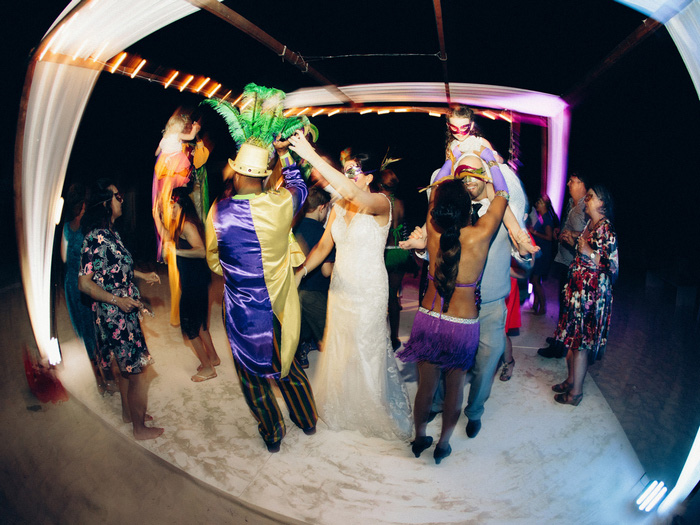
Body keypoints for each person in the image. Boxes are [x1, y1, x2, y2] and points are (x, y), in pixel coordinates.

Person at [289, 131, 413, 441]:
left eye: (353, 169)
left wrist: (312, 155)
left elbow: (354, 195)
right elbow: (322, 247)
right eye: (345, 169)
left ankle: (371, 405)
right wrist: (300, 272)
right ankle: (343, 402)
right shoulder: (339, 206)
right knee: (341, 345)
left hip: (368, 289)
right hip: (340, 289)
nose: (347, 174)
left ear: (369, 177)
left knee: (366, 349)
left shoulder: (380, 202)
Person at [205, 122, 317, 452]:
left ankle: (272, 433)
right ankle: (307, 420)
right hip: (277, 307)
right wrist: (285, 153)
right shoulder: (280, 204)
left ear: (237, 174)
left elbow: (214, 260)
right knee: (288, 364)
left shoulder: (218, 212)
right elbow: (301, 188)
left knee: (250, 376)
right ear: (265, 176)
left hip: (240, 310)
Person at [397, 149, 509, 464]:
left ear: (438, 208)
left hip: (428, 319)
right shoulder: (480, 234)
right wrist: (490, 162)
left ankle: (420, 437)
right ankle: (443, 444)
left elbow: (436, 192)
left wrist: (449, 161)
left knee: (425, 388)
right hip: (462, 327)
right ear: (466, 207)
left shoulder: (433, 230)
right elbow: (502, 194)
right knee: (454, 389)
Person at [78, 179, 163, 440]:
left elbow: (115, 268)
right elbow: (84, 283)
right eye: (118, 196)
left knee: (126, 369)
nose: (122, 200)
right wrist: (117, 300)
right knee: (137, 372)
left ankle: (130, 414)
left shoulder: (110, 233)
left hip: (120, 312)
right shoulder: (95, 236)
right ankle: (139, 428)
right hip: (115, 315)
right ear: (106, 203)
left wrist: (141, 273)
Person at [551, 185, 618, 406]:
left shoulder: (606, 229)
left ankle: (575, 394)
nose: (586, 199)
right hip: (579, 293)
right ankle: (571, 381)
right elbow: (584, 252)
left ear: (602, 204)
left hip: (591, 297)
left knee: (580, 344)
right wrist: (574, 241)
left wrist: (588, 251)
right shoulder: (591, 225)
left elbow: (613, 267)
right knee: (573, 341)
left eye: (590, 196)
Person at [155, 186, 220, 382]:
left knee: (190, 328)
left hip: (195, 283)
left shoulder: (188, 226)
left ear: (182, 206)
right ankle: (214, 358)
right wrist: (156, 216)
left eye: (173, 207)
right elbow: (166, 236)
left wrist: (176, 252)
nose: (171, 211)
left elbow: (201, 251)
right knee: (200, 324)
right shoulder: (180, 223)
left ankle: (208, 368)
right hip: (195, 281)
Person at [61, 183, 116, 395]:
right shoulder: (89, 228)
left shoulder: (66, 227)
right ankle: (106, 377)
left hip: (72, 285)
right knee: (97, 330)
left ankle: (101, 380)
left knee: (88, 333)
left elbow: (64, 258)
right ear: (83, 206)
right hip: (86, 285)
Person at [153, 111, 201, 327]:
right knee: (177, 261)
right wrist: (196, 131)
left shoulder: (165, 142)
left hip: (166, 192)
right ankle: (179, 311)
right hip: (171, 196)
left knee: (178, 260)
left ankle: (179, 311)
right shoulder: (179, 150)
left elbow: (157, 153)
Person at [538, 172, 591, 358]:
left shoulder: (587, 206)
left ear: (583, 185)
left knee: (568, 306)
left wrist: (572, 235)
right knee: (563, 304)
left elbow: (589, 234)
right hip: (564, 259)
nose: (569, 183)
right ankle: (559, 338)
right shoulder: (571, 203)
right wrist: (561, 232)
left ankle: (560, 346)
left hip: (574, 263)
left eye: (574, 181)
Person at [293, 185, 334, 368]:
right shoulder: (322, 234)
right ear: (322, 207)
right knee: (328, 334)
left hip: (298, 288)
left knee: (300, 321)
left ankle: (300, 349)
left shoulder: (294, 229)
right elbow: (326, 271)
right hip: (316, 292)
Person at [376, 166, 414, 350]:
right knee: (394, 298)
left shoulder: (380, 203)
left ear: (380, 185)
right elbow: (404, 230)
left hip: (384, 253)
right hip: (398, 252)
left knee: (380, 297)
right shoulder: (400, 203)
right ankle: (395, 338)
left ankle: (379, 336)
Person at [528, 195, 559, 315]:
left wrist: (533, 232)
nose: (537, 204)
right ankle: (536, 304)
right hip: (540, 254)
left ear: (544, 205)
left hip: (543, 255)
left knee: (535, 280)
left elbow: (549, 237)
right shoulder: (543, 217)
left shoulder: (546, 218)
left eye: (539, 202)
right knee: (535, 280)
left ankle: (542, 307)